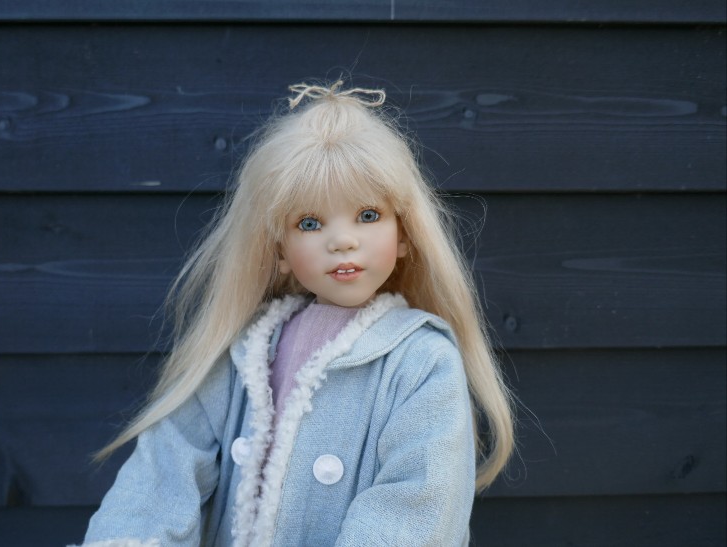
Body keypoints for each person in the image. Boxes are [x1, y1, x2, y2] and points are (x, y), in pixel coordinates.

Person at [77, 80, 515, 547]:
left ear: (404, 234)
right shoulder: (243, 353)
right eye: (309, 223)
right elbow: (163, 475)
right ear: (280, 250)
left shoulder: (422, 361)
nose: (342, 241)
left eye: (369, 215)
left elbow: (417, 505)